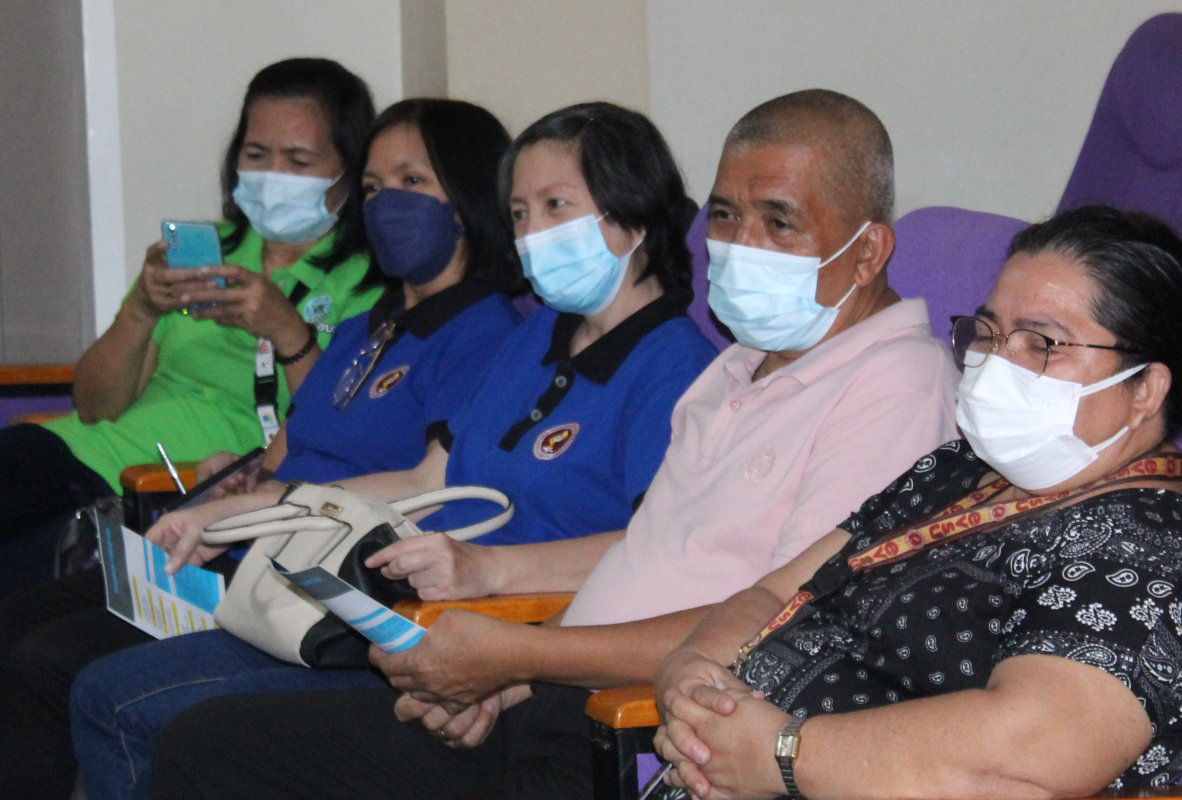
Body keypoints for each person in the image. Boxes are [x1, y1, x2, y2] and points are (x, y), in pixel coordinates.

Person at [128, 90, 961, 800]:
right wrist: (508, 680)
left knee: (211, 750)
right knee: (211, 739)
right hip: (552, 687)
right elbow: (640, 561)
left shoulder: (896, 383)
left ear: (867, 251)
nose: (741, 246)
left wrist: (520, 653)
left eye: (779, 222)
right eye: (727, 216)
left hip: (631, 730)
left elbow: (786, 628)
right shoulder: (740, 367)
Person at [70, 100, 717, 800]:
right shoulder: (538, 336)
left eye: (556, 206)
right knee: (117, 691)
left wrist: (488, 579)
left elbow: (654, 553)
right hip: (411, 622)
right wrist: (246, 509)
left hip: (517, 648)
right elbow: (424, 480)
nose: (533, 233)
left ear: (634, 214)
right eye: (520, 213)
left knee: (182, 731)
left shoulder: (677, 367)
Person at [0, 96, 521, 800]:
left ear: (468, 199)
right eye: (372, 188)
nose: (385, 204)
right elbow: (292, 445)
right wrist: (240, 479)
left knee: (60, 666)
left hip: (313, 584)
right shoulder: (370, 325)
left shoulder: (486, 333)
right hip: (244, 555)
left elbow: (433, 484)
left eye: (412, 183)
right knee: (18, 625)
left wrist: (261, 504)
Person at [650, 205, 1182, 799]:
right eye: (988, 333)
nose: (997, 363)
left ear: (1145, 389)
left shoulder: (1154, 549)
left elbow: (1026, 752)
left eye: (1041, 343)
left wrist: (780, 755)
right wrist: (691, 674)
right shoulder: (957, 469)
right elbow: (778, 592)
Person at [0, 57, 382, 592]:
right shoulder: (209, 253)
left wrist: (285, 328)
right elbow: (94, 406)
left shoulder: (369, 285)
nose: (272, 176)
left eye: (298, 161)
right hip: (71, 457)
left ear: (352, 170)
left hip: (157, 493)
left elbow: (343, 435)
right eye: (256, 155)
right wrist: (141, 309)